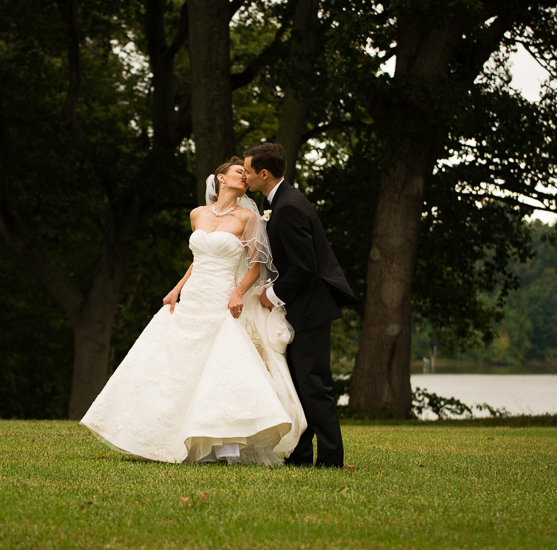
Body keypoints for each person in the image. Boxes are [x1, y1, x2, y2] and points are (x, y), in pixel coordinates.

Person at [80, 158, 306, 465]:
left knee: (221, 367)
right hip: (194, 295)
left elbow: (256, 266)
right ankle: (160, 436)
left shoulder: (246, 218)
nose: (246, 176)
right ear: (221, 178)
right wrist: (176, 289)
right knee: (177, 364)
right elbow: (198, 258)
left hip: (223, 298)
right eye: (239, 172)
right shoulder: (197, 214)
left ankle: (224, 446)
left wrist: (237, 293)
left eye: (247, 173)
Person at [243, 143, 358, 468]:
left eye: (249, 171)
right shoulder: (280, 201)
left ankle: (332, 459)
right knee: (300, 383)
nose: (247, 176)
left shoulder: (290, 206)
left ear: (264, 174)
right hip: (301, 309)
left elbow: (304, 267)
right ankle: (302, 454)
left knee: (314, 384)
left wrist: (272, 295)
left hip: (309, 311)